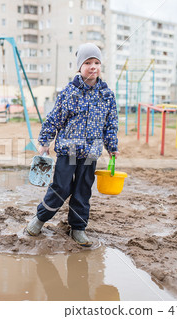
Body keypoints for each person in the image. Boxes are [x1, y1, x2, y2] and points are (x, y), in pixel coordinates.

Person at [25, 43, 119, 247]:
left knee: (83, 190)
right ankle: (40, 219)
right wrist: (44, 142)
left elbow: (111, 123)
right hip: (69, 151)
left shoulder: (107, 95)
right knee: (61, 187)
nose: (93, 67)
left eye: (96, 62)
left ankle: (78, 228)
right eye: (87, 63)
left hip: (91, 153)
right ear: (79, 67)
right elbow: (54, 119)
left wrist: (112, 146)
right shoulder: (70, 92)